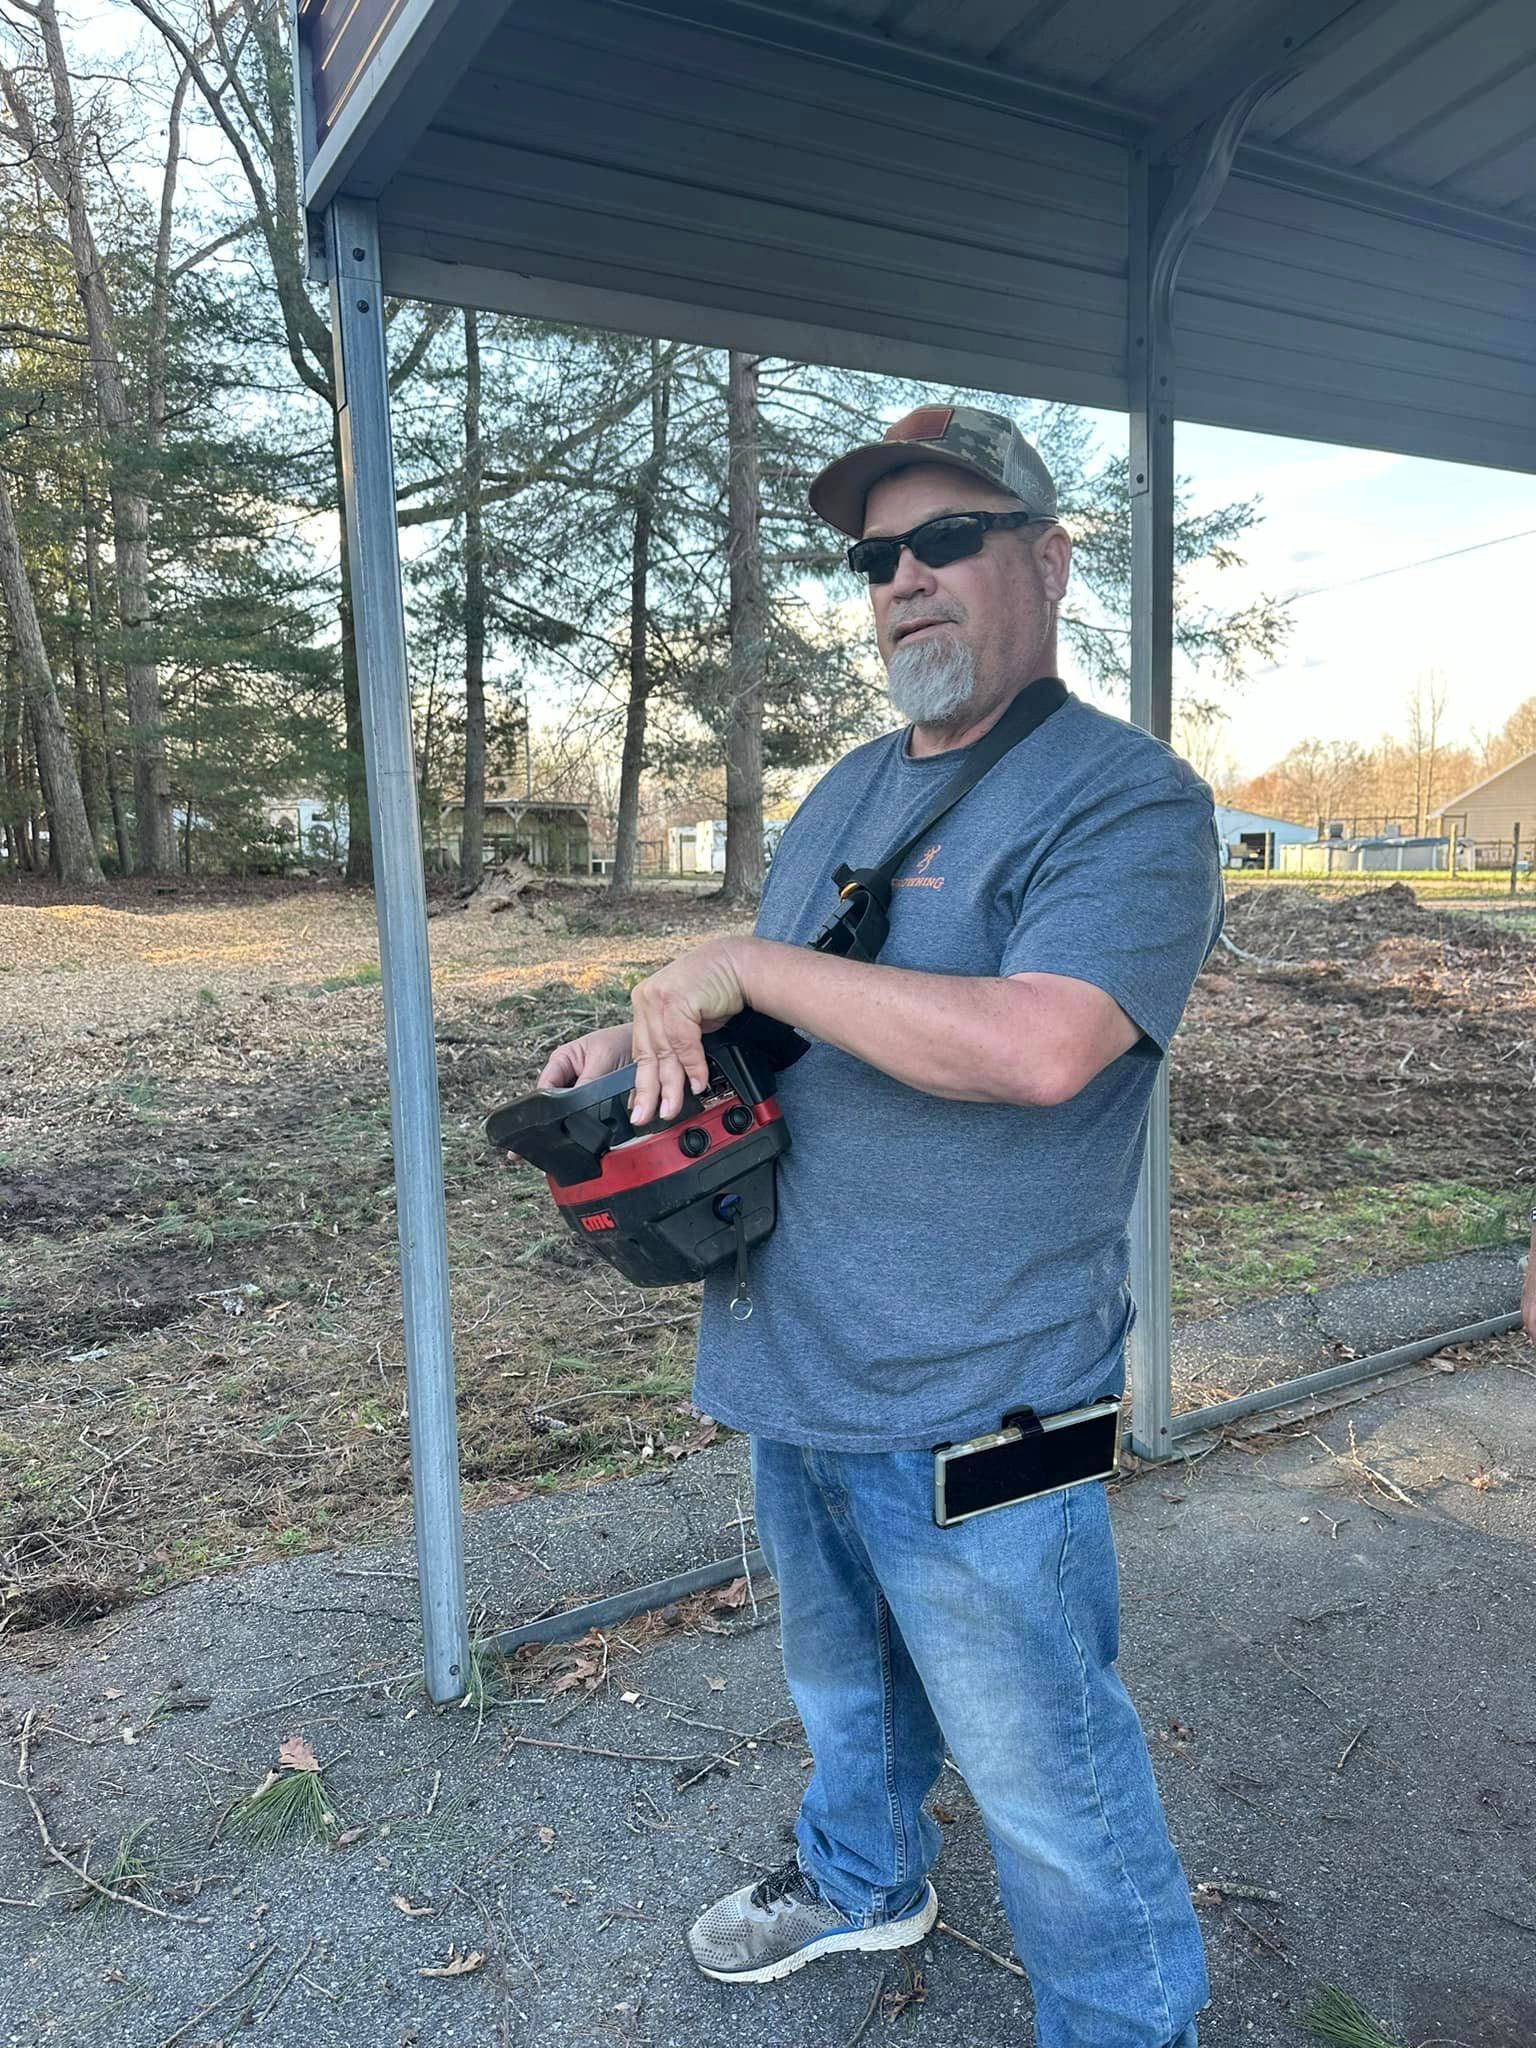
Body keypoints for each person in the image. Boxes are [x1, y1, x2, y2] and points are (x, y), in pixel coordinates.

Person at [537, 404, 1221, 2048]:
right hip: (801, 1348)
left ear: (1046, 562)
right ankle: (863, 1875)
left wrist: (752, 965)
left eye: (943, 541)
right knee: (846, 1685)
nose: (901, 580)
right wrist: (646, 1042)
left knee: (1045, 1761)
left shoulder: (1128, 803)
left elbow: (1044, 1046)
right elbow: (799, 1016)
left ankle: (1128, 2023)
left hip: (996, 1387)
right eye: (871, 557)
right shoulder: (848, 790)